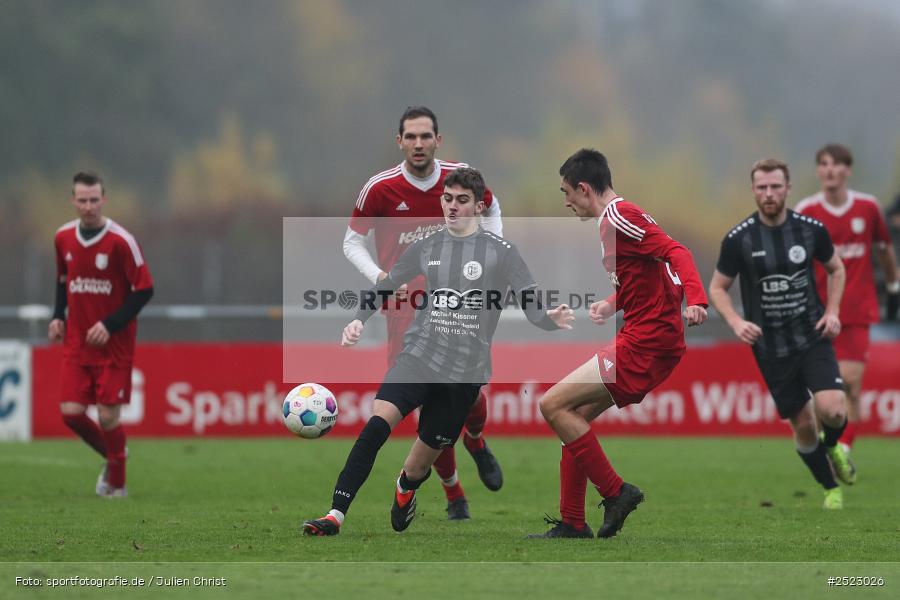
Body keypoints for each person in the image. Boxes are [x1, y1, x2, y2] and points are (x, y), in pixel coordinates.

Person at [304, 167, 574, 536]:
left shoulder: (502, 253)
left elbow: (530, 303)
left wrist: (548, 319)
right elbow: (387, 285)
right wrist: (359, 320)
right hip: (418, 355)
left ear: (479, 206)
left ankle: (405, 488)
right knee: (376, 425)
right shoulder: (427, 246)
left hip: (464, 376)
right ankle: (335, 514)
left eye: (462, 200)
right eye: (447, 199)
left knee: (417, 467)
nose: (452, 206)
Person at [532, 149, 708, 539]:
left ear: (583, 188)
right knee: (574, 414)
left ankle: (616, 492)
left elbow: (676, 252)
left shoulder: (618, 217)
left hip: (646, 340)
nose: (565, 202)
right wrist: (613, 304)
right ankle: (573, 523)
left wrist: (697, 299)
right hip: (648, 336)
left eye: (567, 193)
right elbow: (648, 275)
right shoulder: (616, 220)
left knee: (552, 404)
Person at [342, 106, 504, 520]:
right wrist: (379, 275)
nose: (418, 144)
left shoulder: (458, 179)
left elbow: (493, 205)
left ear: (438, 140)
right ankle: (453, 491)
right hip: (402, 310)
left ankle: (477, 438)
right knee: (425, 404)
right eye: (410, 137)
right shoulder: (379, 189)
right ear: (400, 141)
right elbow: (351, 242)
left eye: (425, 136)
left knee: (468, 394)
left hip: (457, 302)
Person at [709, 158, 853, 509]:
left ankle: (833, 443)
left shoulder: (810, 230)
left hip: (812, 335)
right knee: (803, 425)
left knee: (832, 410)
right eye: (762, 187)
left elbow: (837, 269)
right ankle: (830, 487)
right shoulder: (738, 238)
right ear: (754, 191)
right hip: (770, 347)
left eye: (776, 187)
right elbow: (717, 288)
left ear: (788, 189)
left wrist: (833, 312)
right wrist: (736, 322)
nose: (769, 193)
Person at [49, 171, 154, 497]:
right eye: (83, 200)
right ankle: (115, 455)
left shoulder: (121, 241)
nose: (89, 206)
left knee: (108, 416)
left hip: (114, 345)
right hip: (77, 341)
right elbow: (64, 281)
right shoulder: (63, 237)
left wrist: (109, 324)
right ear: (73, 201)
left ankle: (117, 484)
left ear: (103, 199)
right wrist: (57, 315)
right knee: (71, 413)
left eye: (95, 200)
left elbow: (145, 290)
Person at [795, 145, 899, 457]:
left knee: (850, 384)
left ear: (847, 170)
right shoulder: (807, 210)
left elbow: (884, 248)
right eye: (823, 164)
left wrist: (894, 285)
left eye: (836, 165)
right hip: (815, 312)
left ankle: (842, 451)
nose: (830, 170)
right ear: (818, 171)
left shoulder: (868, 208)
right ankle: (833, 445)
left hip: (855, 310)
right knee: (823, 395)